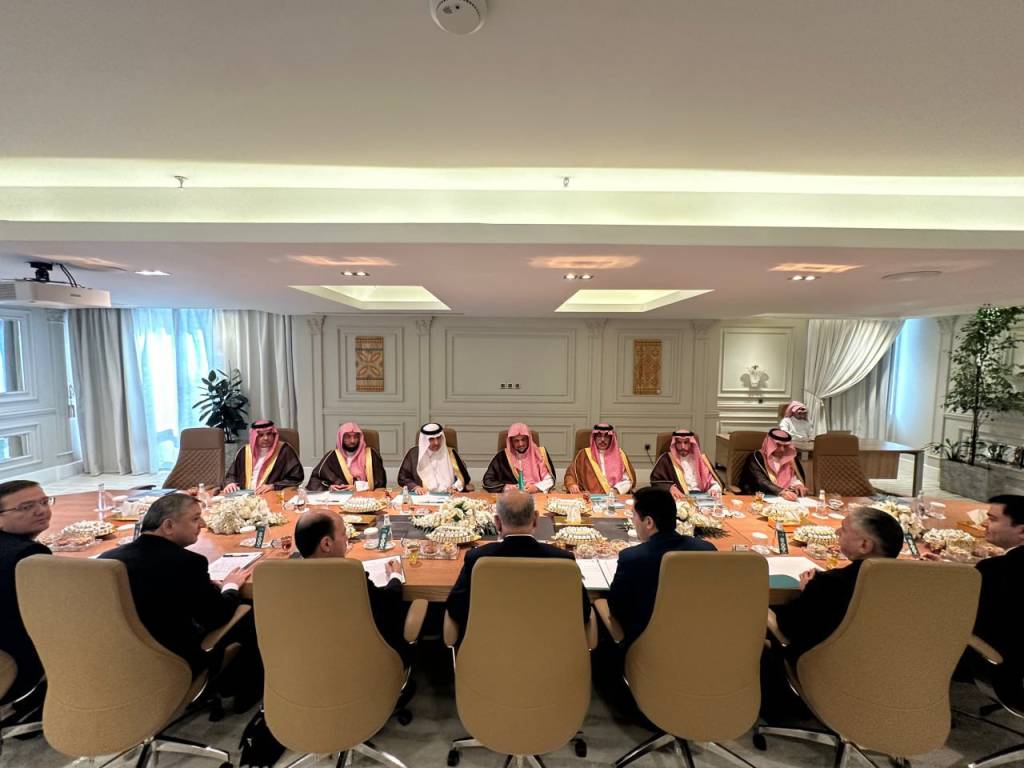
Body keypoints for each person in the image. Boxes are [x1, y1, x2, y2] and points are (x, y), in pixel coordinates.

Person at [99, 493, 251, 675]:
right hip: (174, 665)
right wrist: (230, 586)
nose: (203, 524)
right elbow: (217, 616)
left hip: (118, 664)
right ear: (168, 526)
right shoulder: (188, 562)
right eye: (195, 519)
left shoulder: (107, 560)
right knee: (248, 612)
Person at [445, 491, 590, 639]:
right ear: (535, 519)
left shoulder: (477, 558)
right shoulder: (563, 559)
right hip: (551, 646)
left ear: (497, 522)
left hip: (489, 646)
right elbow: (583, 612)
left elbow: (456, 609)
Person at [772, 507, 904, 659]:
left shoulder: (829, 584)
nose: (837, 532)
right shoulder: (904, 586)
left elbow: (789, 627)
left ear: (864, 545)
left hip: (817, 664)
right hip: (877, 664)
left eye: (844, 529)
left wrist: (808, 590)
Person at [293, 510, 411, 665]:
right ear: (326, 544)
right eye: (343, 533)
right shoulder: (350, 575)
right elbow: (389, 604)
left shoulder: (286, 578)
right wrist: (395, 575)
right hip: (364, 663)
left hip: (307, 664)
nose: (347, 538)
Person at [607, 486, 717, 647]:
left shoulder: (632, 558)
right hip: (701, 644)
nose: (632, 520)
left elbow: (617, 609)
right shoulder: (707, 550)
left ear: (649, 522)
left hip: (646, 649)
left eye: (634, 515)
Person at [0, 480, 52, 701]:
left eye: (44, 502)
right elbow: (52, 613)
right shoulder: (27, 554)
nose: (41, 511)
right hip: (20, 655)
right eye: (26, 507)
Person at [973, 495, 1024, 675]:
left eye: (992, 519)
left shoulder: (994, 570)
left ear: (1022, 531)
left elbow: (972, 620)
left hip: (999, 664)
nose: (983, 524)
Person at [223, 420, 304, 494]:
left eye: (269, 434)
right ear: (254, 436)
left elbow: (296, 478)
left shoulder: (285, 451)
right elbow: (231, 474)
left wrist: (273, 486)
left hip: (271, 494)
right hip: (243, 496)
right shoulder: (244, 451)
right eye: (261, 435)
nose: (265, 438)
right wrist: (230, 483)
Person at [307, 422, 387, 492]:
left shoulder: (371, 455)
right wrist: (329, 487)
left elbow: (380, 482)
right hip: (339, 498)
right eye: (348, 437)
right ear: (341, 438)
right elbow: (315, 480)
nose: (352, 441)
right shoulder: (332, 456)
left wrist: (358, 487)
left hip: (365, 497)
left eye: (356, 437)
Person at [397, 423, 471, 494]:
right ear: (424, 440)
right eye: (431, 439)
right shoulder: (413, 454)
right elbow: (403, 478)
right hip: (423, 496)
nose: (436, 443)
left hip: (449, 495)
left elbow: (463, 477)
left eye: (438, 438)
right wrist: (416, 487)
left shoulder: (451, 453)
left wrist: (454, 487)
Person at [482, 423, 556, 493]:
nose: (521, 444)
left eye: (523, 439)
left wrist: (536, 487)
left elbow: (550, 480)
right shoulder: (502, 457)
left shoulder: (540, 454)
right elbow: (487, 480)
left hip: (537, 493)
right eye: (516, 441)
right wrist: (507, 487)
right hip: (511, 496)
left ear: (528, 439)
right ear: (511, 441)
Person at [564, 424, 636, 495]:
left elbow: (628, 480)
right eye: (599, 436)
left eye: (606, 437)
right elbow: (570, 474)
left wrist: (617, 490)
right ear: (594, 438)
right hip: (590, 496)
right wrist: (571, 484)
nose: (602, 440)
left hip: (615, 496)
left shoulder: (620, 455)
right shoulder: (584, 454)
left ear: (611, 438)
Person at [649, 429, 722, 499]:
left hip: (702, 497)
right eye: (679, 443)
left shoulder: (701, 459)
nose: (682, 447)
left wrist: (714, 489)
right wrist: (670, 487)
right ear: (675, 444)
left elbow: (712, 482)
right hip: (679, 498)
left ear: (691, 443)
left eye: (686, 442)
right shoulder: (666, 459)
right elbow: (655, 481)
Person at [740, 429, 807, 500]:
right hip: (763, 497)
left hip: (789, 498)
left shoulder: (791, 459)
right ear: (770, 444)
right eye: (778, 445)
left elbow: (794, 478)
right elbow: (760, 481)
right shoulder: (756, 457)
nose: (782, 449)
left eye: (785, 446)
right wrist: (781, 492)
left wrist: (799, 485)